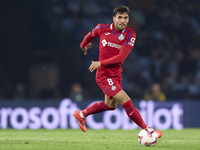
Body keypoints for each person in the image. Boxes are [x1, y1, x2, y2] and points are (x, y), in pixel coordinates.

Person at [73, 6, 162, 138]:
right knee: (126, 101)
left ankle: (81, 114)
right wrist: (83, 45)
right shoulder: (102, 28)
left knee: (110, 106)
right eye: (120, 17)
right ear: (114, 18)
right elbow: (89, 35)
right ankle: (148, 129)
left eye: (125, 18)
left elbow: (121, 57)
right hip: (104, 75)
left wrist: (100, 62)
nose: (122, 21)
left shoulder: (130, 34)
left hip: (116, 74)